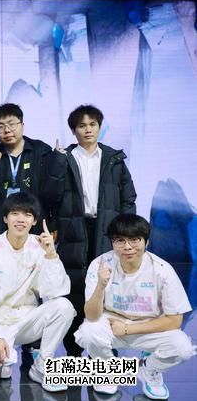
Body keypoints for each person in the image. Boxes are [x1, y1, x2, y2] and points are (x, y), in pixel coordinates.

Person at [45, 105, 137, 357]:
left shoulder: (114, 160)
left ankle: (106, 349)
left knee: (107, 287)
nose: (87, 130)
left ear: (99, 127)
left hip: (107, 229)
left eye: (92, 124)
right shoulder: (64, 157)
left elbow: (128, 198)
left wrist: (124, 230)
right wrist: (56, 162)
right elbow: (49, 196)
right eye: (82, 125)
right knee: (74, 287)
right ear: (73, 130)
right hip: (73, 228)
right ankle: (73, 350)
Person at [75, 214, 195, 399]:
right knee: (88, 332)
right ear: (112, 243)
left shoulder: (162, 270)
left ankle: (149, 369)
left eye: (134, 240)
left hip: (147, 326)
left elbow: (175, 321)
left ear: (146, 242)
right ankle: (109, 370)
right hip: (111, 323)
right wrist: (100, 285)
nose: (127, 247)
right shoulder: (100, 265)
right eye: (120, 240)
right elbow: (91, 316)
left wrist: (127, 329)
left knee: (183, 348)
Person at [0, 192, 75, 392]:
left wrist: (51, 255)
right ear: (5, 218)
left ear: (35, 220)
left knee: (64, 307)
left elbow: (56, 291)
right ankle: (1, 356)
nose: (21, 219)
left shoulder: (41, 246)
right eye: (15, 213)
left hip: (26, 320)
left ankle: (42, 365)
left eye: (27, 215)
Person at [0, 103, 55, 240]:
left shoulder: (41, 151)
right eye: (0, 127)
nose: (7, 130)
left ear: (22, 125)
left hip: (35, 225)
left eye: (12, 124)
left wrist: (53, 224)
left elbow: (53, 191)